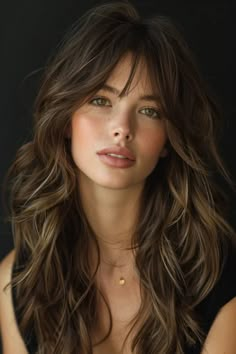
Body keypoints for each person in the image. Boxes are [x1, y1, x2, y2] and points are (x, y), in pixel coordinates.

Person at [0, 1, 236, 353]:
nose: (122, 130)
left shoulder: (216, 276)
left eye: (149, 110)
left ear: (168, 140)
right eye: (100, 100)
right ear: (66, 118)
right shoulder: (17, 282)